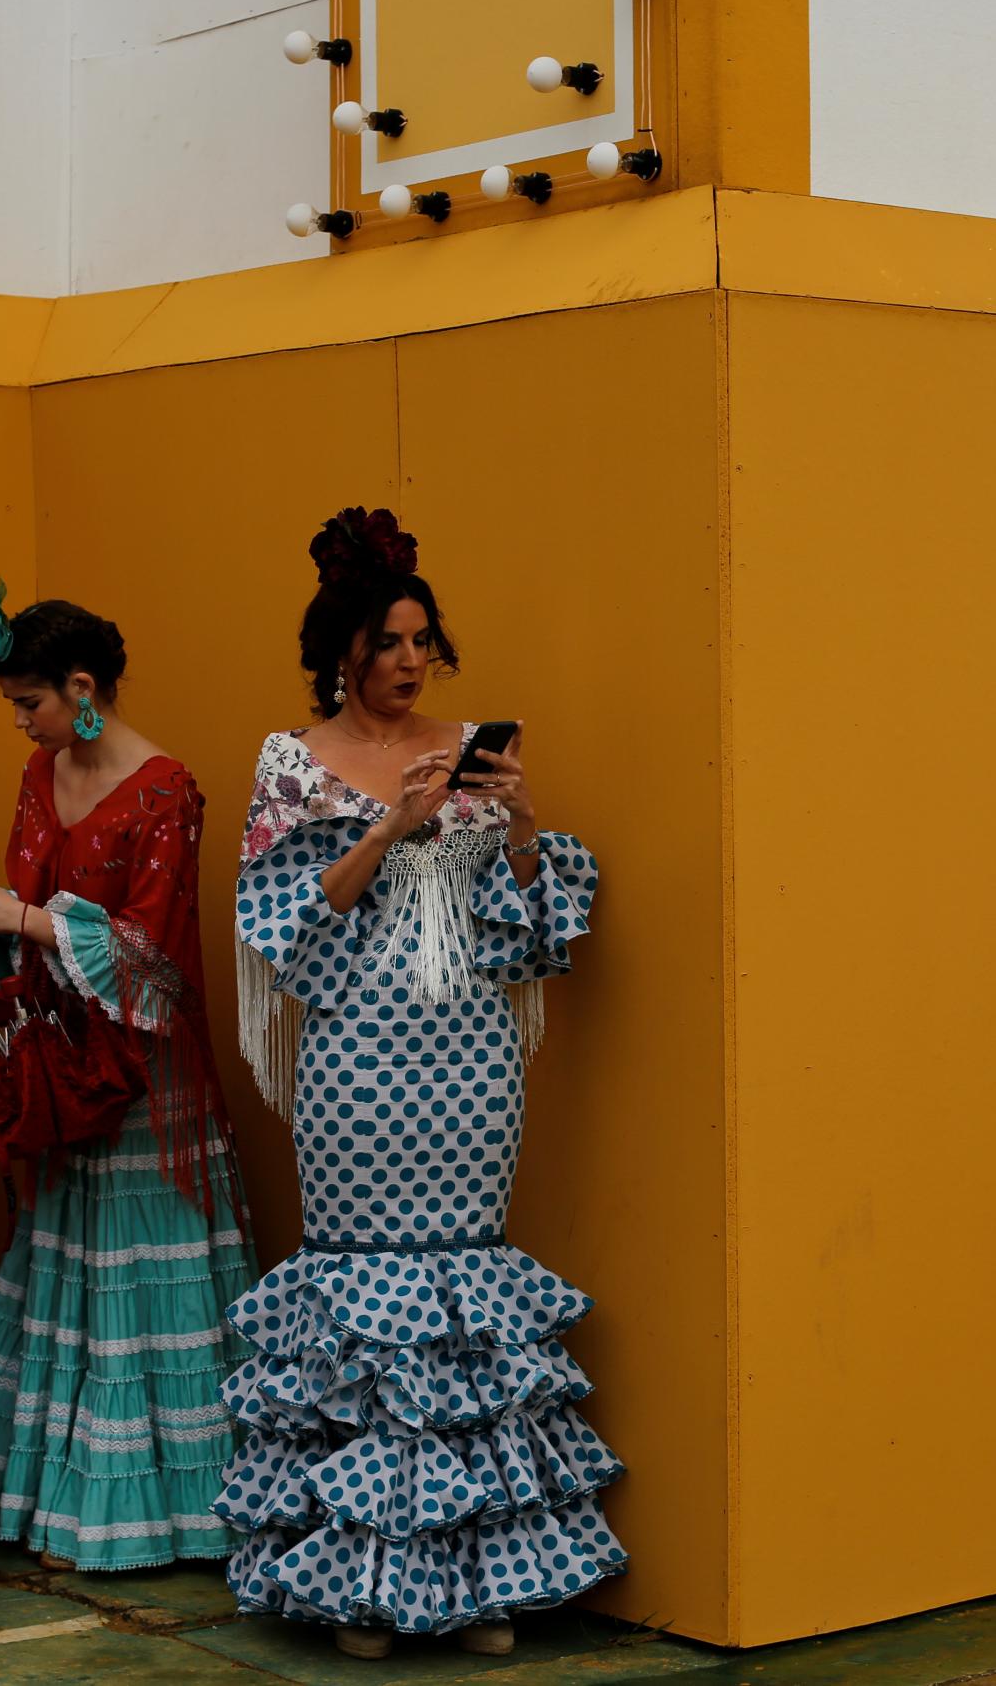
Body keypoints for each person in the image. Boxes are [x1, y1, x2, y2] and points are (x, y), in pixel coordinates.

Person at [215, 508, 624, 1660]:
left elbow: (535, 935)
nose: (408, 661)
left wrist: (524, 818)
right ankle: (362, 1583)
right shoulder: (291, 764)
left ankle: (474, 1578)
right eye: (387, 641)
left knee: (462, 1315)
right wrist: (395, 822)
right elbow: (283, 929)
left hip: (472, 1062)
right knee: (370, 1313)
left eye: (420, 641)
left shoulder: (471, 753)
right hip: (357, 1060)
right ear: (339, 650)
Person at [0, 589, 253, 1572]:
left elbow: (155, 959)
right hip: (60, 1066)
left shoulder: (166, 792)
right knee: (64, 1262)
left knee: (132, 1283)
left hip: (142, 1079)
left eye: (29, 702)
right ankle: (52, 1496)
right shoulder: (41, 769)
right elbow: (30, 903)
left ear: (82, 689)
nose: (21, 724)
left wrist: (21, 921)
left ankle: (157, 1516)